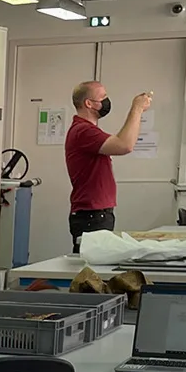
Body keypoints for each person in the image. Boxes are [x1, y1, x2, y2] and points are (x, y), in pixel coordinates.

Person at [64, 81, 154, 251]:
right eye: (103, 97)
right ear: (89, 103)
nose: (106, 101)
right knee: (92, 273)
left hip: (97, 212)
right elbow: (124, 145)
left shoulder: (88, 130)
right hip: (92, 214)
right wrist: (137, 109)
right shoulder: (83, 131)